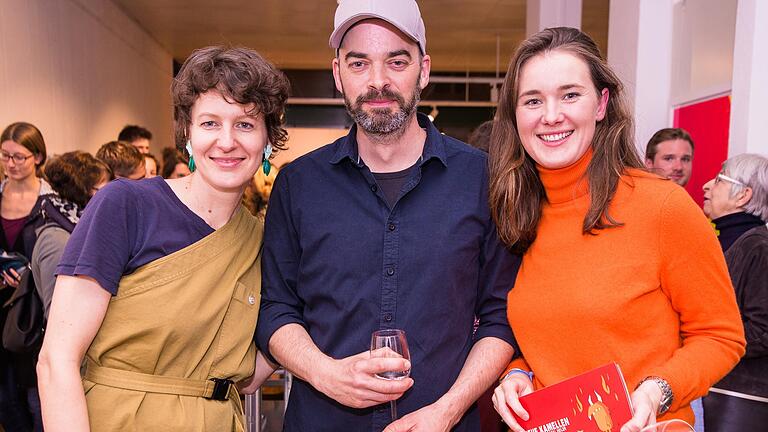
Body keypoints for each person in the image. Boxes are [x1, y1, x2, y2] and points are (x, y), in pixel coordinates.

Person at [255, 1, 520, 431]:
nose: (378, 81)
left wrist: (449, 409)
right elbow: (276, 308)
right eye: (359, 63)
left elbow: (500, 316)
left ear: (424, 69)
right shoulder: (298, 184)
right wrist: (325, 373)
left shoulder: (482, 179)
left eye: (397, 61)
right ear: (338, 73)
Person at [488, 27, 745, 432]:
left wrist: (656, 390)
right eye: (533, 100)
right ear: (515, 115)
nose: (551, 115)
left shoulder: (661, 206)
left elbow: (722, 336)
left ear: (602, 103)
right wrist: (516, 374)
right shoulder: (519, 215)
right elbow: (550, 340)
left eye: (570, 95)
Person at [37, 46, 290, 431]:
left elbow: (247, 378)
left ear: (267, 140)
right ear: (186, 133)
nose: (226, 141)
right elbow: (58, 360)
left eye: (245, 124)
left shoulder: (259, 241)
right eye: (209, 123)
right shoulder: (126, 205)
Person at [701, 153, 768, 431]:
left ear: (743, 196)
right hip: (716, 389)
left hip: (740, 399)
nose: (706, 185)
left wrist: (710, 344)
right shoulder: (726, 241)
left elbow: (763, 331)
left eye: (718, 179)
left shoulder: (758, 249)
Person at [0, 121, 53, 432]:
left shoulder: (52, 202)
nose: (11, 164)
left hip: (34, 313)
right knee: (6, 400)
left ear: (38, 157)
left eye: (19, 157)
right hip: (1, 306)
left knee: (37, 398)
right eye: (5, 156)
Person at [31, 151, 110, 318]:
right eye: (103, 189)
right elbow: (58, 315)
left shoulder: (80, 228)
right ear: (84, 192)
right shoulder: (57, 240)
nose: (109, 195)